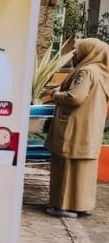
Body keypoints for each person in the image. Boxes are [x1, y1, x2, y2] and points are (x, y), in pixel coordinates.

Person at [45, 38, 109, 218]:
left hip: (74, 127)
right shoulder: (102, 73)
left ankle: (64, 206)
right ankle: (81, 204)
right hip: (90, 128)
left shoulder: (86, 72)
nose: (74, 54)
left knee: (67, 165)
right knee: (84, 167)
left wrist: (56, 94)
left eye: (77, 50)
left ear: (89, 52)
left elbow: (75, 98)